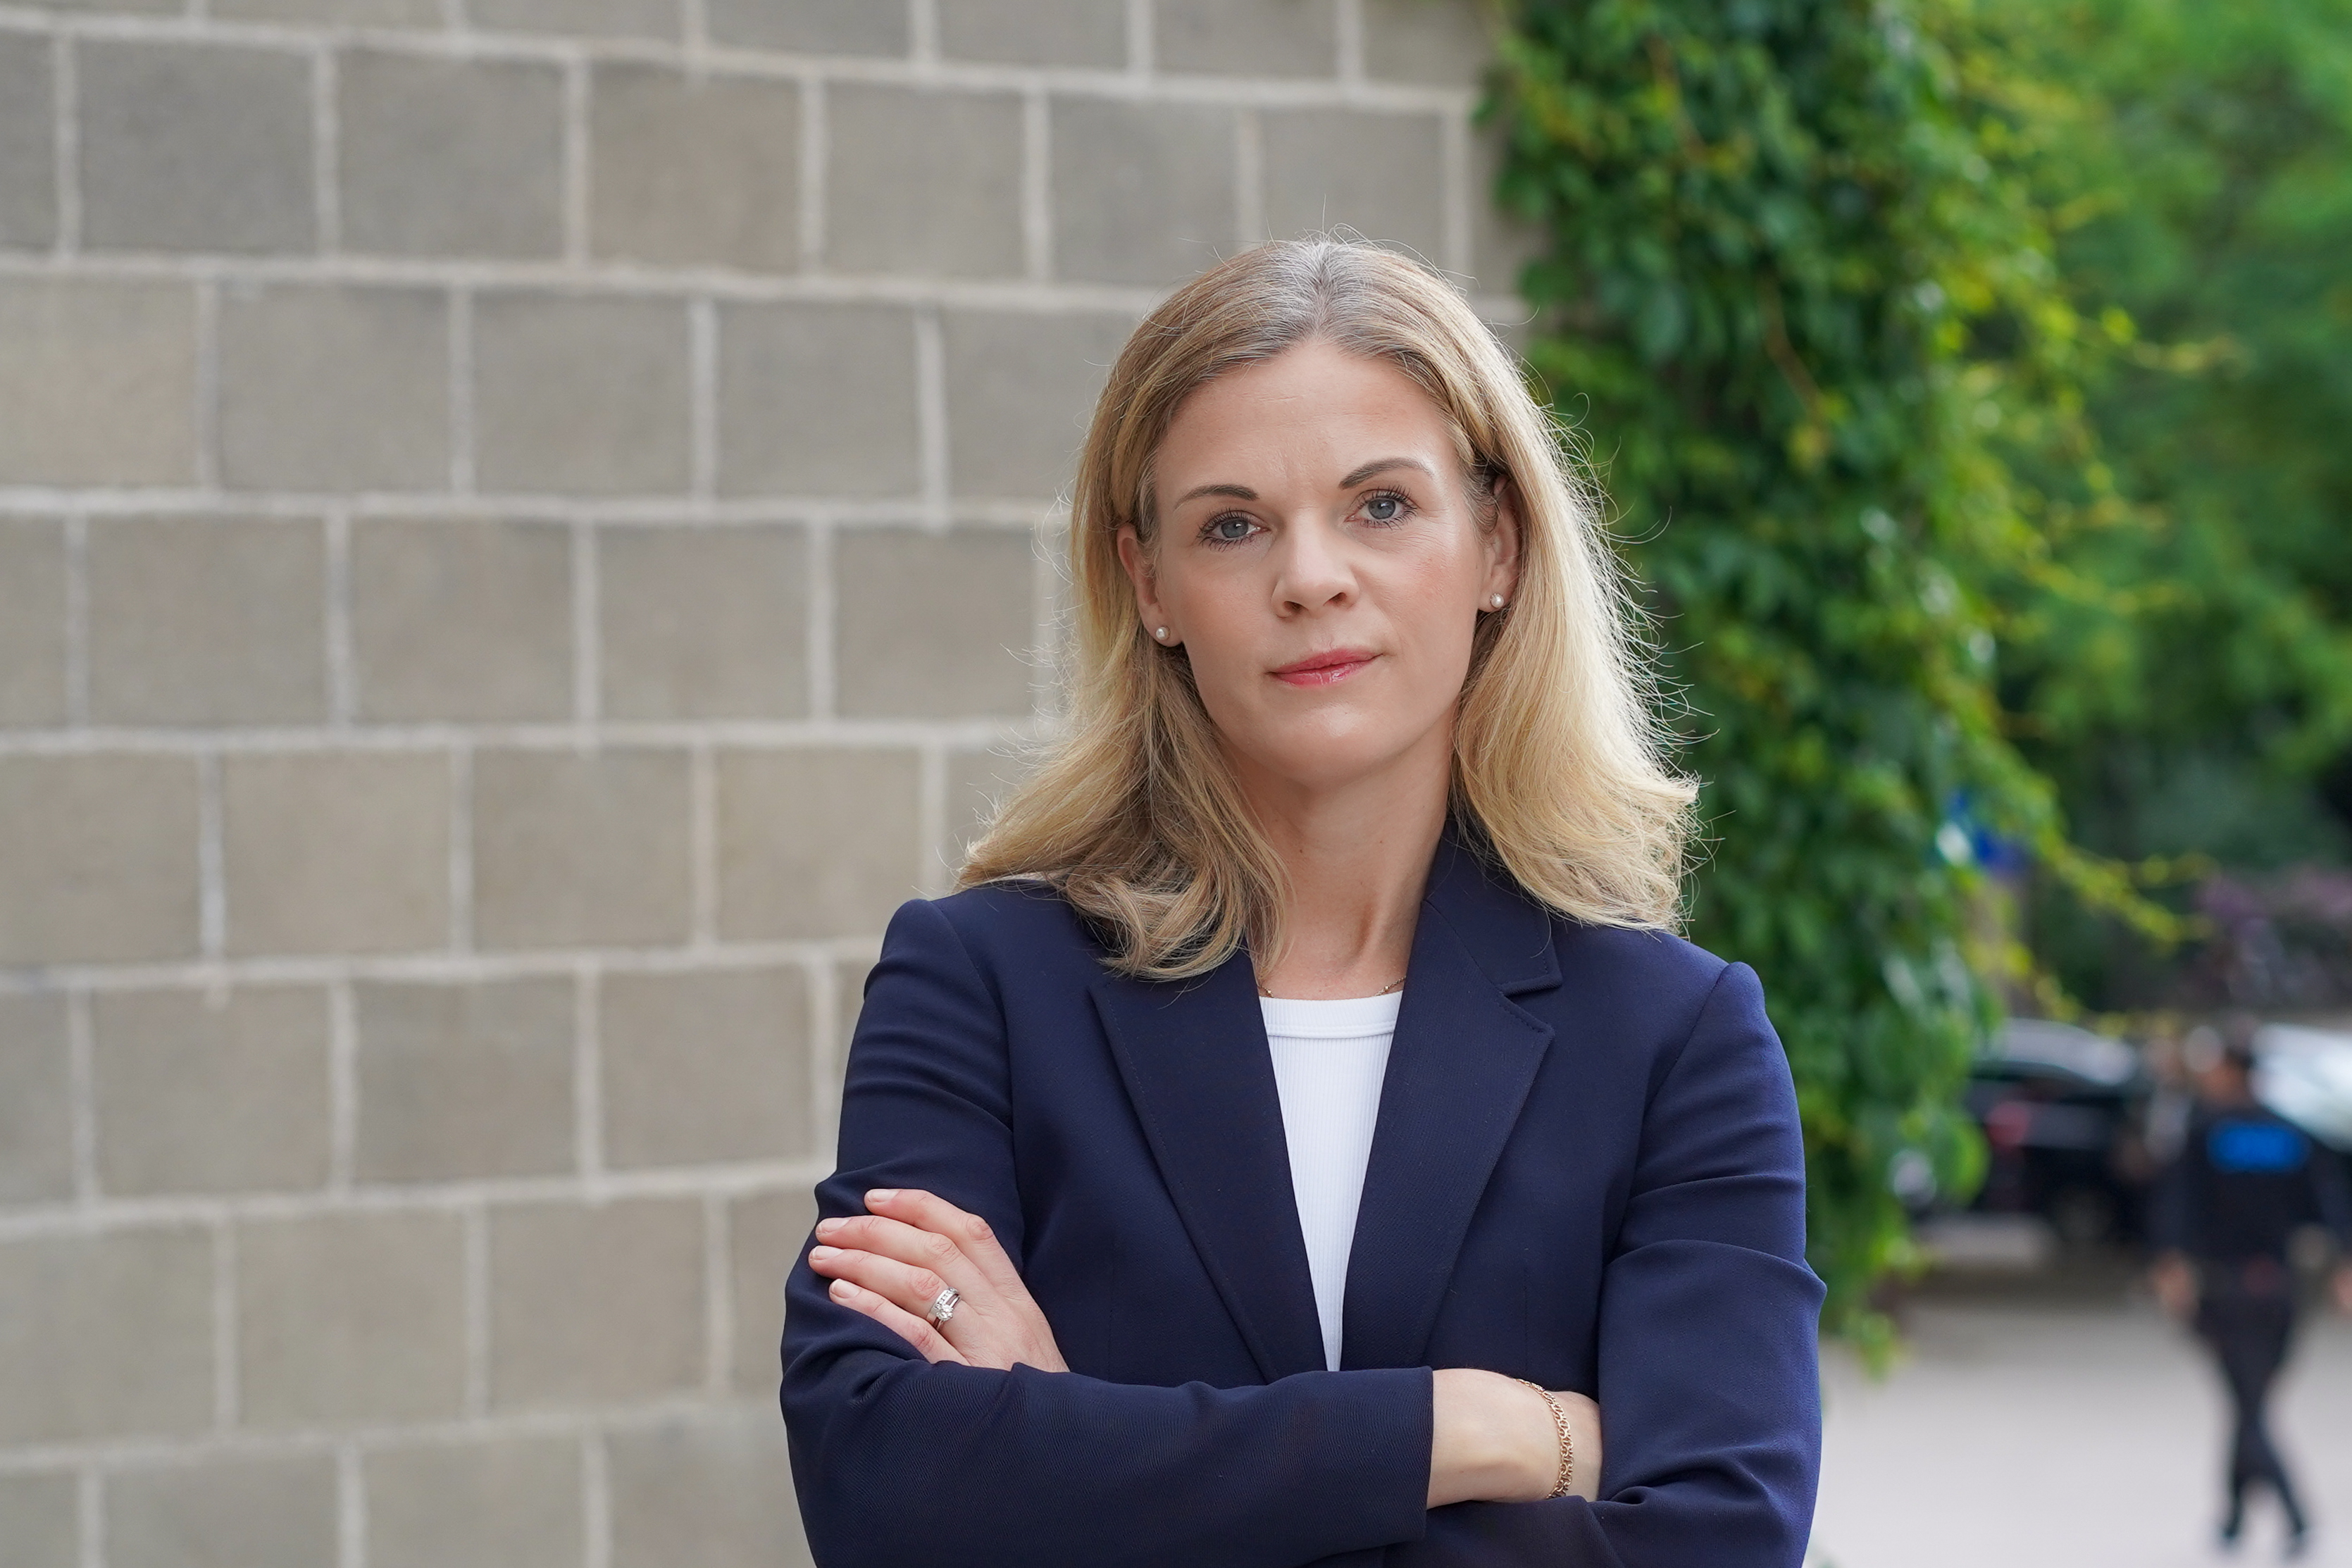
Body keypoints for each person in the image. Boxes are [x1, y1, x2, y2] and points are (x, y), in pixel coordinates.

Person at [779, 238, 1824, 1567]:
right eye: (1231, 524)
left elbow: (1716, 1546)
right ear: (1149, 585)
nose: (1310, 576)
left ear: (1496, 546)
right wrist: (1467, 1431)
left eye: (1380, 505)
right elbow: (883, 1496)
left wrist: (1078, 1450)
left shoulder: (1674, 1039)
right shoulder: (978, 987)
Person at [2149, 1021, 2352, 1558]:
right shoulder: (2291, 1134)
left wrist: (2169, 1266)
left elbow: (2174, 1206)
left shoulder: (2205, 1134)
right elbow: (2330, 1203)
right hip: (2280, 1290)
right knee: (2249, 1403)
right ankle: (2233, 1520)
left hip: (2226, 1289)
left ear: (2230, 1071)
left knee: (2248, 1408)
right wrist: (2343, 1266)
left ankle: (2295, 1518)